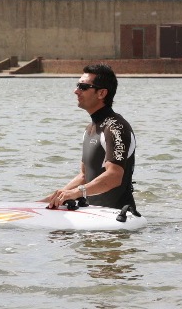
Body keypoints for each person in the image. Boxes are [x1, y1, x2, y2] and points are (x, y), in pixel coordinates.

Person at [44, 64, 137, 210]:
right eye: (78, 86)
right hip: (91, 214)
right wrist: (50, 199)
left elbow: (114, 176)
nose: (76, 91)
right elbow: (84, 176)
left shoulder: (116, 127)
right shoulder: (90, 129)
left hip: (118, 217)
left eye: (83, 87)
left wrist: (76, 192)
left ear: (101, 93)